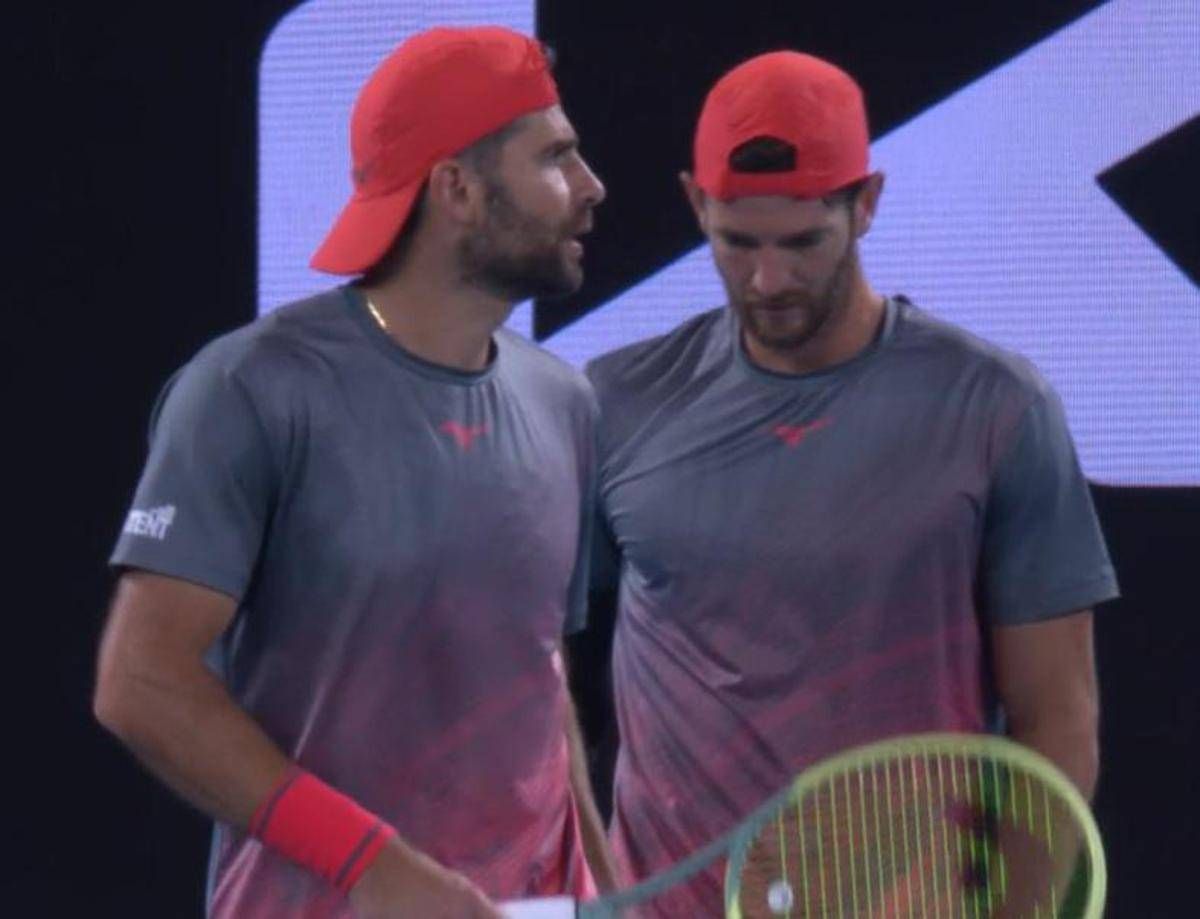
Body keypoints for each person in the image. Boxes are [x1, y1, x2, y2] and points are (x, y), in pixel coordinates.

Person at [94, 25, 612, 919]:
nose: (591, 185)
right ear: (457, 188)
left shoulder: (564, 401)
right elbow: (140, 683)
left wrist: (608, 890)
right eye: (555, 157)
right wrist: (371, 863)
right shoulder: (251, 387)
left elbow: (542, 679)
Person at [583, 50, 1118, 915]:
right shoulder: (613, 404)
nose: (769, 280)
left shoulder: (997, 409)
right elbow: (543, 688)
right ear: (695, 202)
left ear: (865, 202)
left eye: (803, 242)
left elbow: (1056, 718)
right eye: (737, 242)